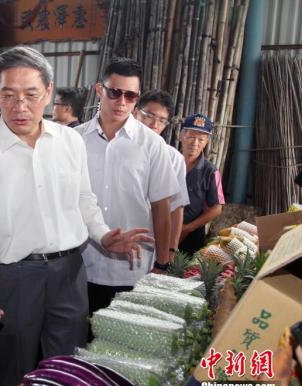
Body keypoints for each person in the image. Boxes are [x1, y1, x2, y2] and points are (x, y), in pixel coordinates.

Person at [0, 46, 153, 386]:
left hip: (69, 275)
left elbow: (83, 199)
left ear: (48, 92)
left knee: (67, 373)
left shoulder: (68, 141)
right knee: (15, 375)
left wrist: (104, 236)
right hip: (14, 278)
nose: (20, 106)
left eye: (31, 95)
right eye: (8, 95)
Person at [76, 58, 180, 315]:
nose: (121, 102)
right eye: (114, 92)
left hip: (134, 270)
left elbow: (161, 207)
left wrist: (162, 264)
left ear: (137, 98)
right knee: (81, 344)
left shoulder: (152, 146)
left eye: (130, 95)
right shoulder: (75, 140)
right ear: (100, 90)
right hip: (81, 266)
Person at [134, 89, 190, 261]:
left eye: (162, 120)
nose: (154, 124)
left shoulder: (174, 158)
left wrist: (170, 251)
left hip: (150, 246)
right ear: (135, 112)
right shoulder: (115, 147)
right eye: (149, 116)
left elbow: (176, 207)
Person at [178, 113, 225, 255]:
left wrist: (188, 228)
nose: (195, 143)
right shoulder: (168, 161)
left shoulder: (211, 171)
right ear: (181, 136)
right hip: (160, 230)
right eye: (191, 137)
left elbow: (217, 208)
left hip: (191, 238)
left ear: (206, 142)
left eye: (201, 139)